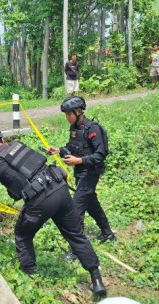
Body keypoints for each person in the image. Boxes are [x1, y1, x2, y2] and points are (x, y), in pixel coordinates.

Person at [0, 127, 107, 297]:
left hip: (40, 201)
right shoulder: (18, 146)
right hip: (60, 188)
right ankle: (96, 279)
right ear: (2, 140)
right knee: (76, 234)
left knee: (22, 234)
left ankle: (30, 275)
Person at [47, 96, 116, 256]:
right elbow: (73, 148)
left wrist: (78, 160)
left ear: (78, 112)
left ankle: (77, 249)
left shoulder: (93, 130)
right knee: (92, 204)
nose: (66, 118)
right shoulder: (74, 128)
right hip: (80, 172)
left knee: (76, 209)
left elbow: (100, 155)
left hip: (90, 173)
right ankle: (107, 232)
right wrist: (58, 150)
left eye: (68, 114)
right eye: (65, 115)